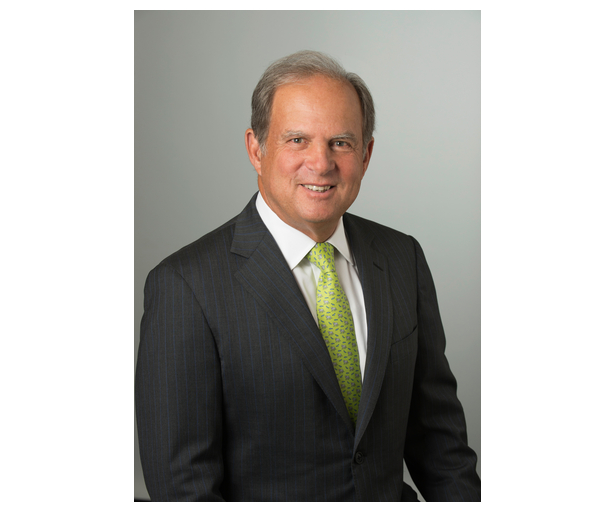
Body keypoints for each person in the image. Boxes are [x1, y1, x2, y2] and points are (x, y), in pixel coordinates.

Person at [136, 50, 480, 501]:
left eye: (341, 142)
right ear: (256, 149)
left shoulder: (402, 258)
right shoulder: (185, 287)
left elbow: (441, 447)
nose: (321, 163)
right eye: (297, 140)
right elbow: (185, 488)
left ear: (366, 154)